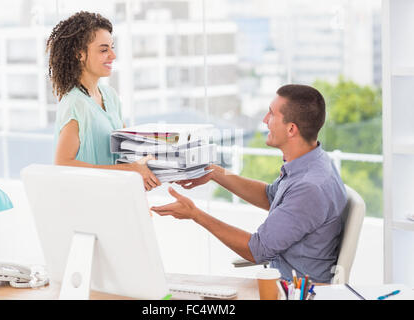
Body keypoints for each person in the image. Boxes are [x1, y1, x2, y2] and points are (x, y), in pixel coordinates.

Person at [151, 84, 348, 283]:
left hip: (294, 292)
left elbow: (257, 250)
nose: (264, 120)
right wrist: (215, 172)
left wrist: (195, 214)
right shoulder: (313, 163)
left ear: (291, 129)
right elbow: (271, 196)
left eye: (271, 114)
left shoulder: (309, 187)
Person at [46, 11, 160, 191]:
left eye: (112, 47)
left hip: (116, 196)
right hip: (90, 202)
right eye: (104, 49)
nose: (113, 55)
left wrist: (145, 166)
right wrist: (127, 170)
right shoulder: (75, 104)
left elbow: (124, 150)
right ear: (79, 54)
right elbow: (63, 164)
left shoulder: (110, 96)